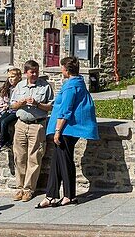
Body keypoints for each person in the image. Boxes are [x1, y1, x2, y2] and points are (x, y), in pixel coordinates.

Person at [37, 55, 98, 208]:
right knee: (57, 162)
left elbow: (65, 110)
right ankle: (51, 195)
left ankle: (69, 195)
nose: (61, 70)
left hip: (67, 129)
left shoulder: (71, 86)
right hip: (68, 129)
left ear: (66, 70)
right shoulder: (78, 82)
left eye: (62, 68)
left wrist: (58, 131)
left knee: (65, 162)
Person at [9, 59, 54, 202]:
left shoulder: (45, 87)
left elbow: (50, 107)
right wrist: (21, 103)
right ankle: (19, 188)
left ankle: (29, 189)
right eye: (31, 72)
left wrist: (37, 104)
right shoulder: (20, 86)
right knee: (19, 157)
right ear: (26, 73)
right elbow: (12, 106)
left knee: (34, 157)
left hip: (37, 125)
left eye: (36, 72)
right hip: (21, 124)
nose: (34, 74)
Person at [0, 66, 22, 152]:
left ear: (19, 77)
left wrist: (8, 105)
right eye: (9, 77)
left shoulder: (21, 87)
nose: (10, 79)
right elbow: (4, 100)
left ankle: (2, 142)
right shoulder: (9, 88)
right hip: (9, 110)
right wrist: (3, 106)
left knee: (4, 122)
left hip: (17, 111)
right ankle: (7, 140)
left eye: (13, 77)